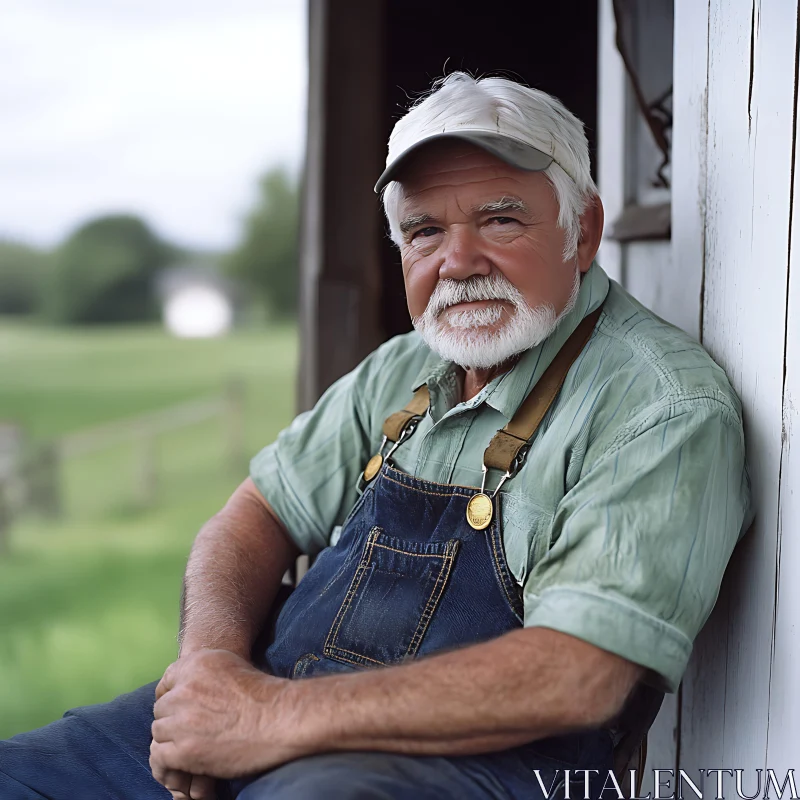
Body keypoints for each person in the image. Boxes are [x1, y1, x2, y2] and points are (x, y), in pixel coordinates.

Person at [0, 72, 751, 800]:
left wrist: (269, 718)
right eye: (425, 231)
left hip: (467, 770)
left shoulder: (660, 406)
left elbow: (577, 674)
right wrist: (212, 676)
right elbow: (255, 512)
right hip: (270, 708)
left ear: (581, 231)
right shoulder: (404, 367)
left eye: (499, 218)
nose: (458, 262)